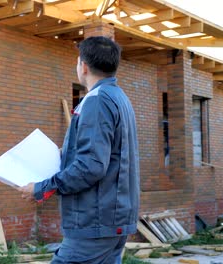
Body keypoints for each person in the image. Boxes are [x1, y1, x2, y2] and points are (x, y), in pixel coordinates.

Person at [20, 36, 140, 264]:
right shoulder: (119, 98)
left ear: (83, 66)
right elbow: (105, 155)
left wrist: (41, 188)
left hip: (93, 222)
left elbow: (91, 166)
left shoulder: (97, 100)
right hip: (110, 220)